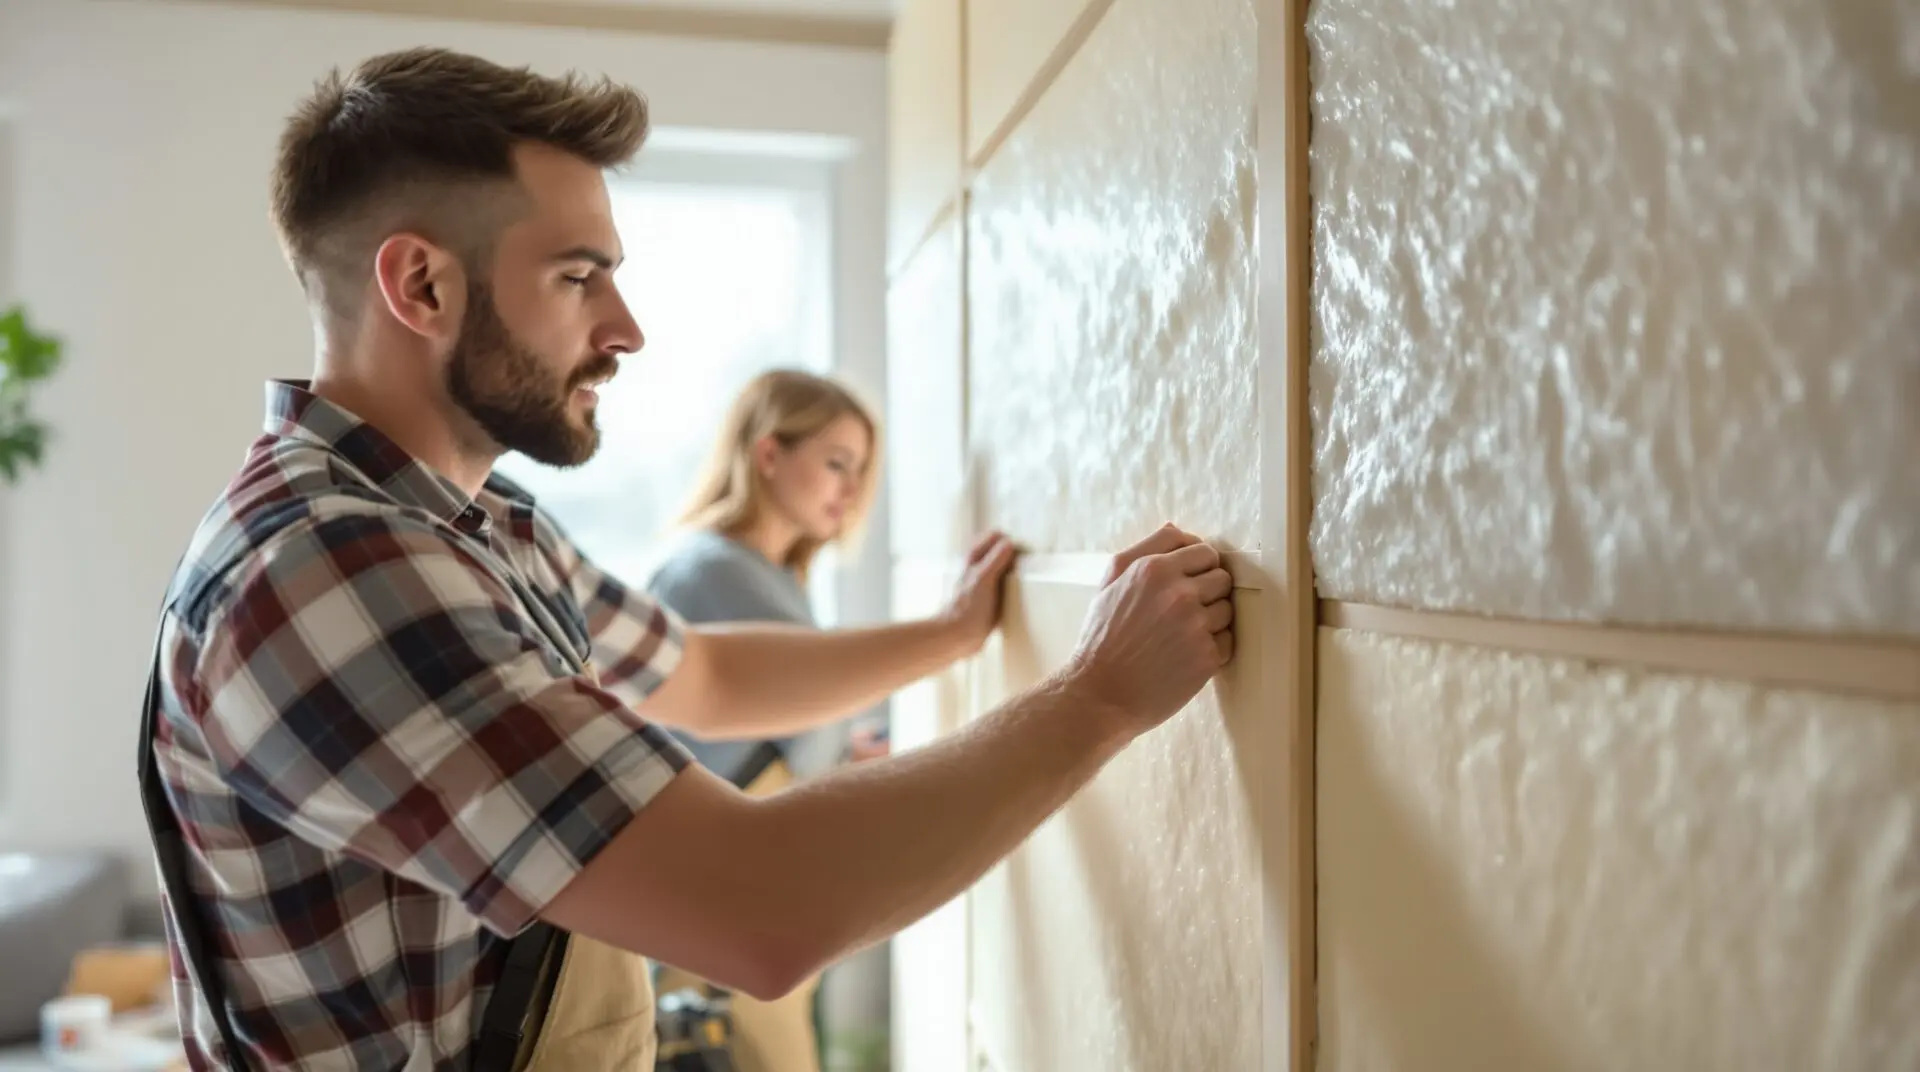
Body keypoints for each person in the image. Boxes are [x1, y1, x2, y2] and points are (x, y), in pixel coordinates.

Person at [141, 46, 1236, 1071]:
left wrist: (952, 634)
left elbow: (705, 676)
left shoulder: (481, 525)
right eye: (579, 277)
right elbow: (762, 908)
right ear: (421, 286)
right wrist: (1100, 697)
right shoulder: (329, 570)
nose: (626, 328)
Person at [644, 369, 886, 1072]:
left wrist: (840, 750)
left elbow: (790, 728)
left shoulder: (768, 577)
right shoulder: (711, 572)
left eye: (860, 470)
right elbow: (814, 698)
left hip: (755, 909)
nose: (851, 488)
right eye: (835, 463)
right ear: (769, 453)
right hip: (719, 916)